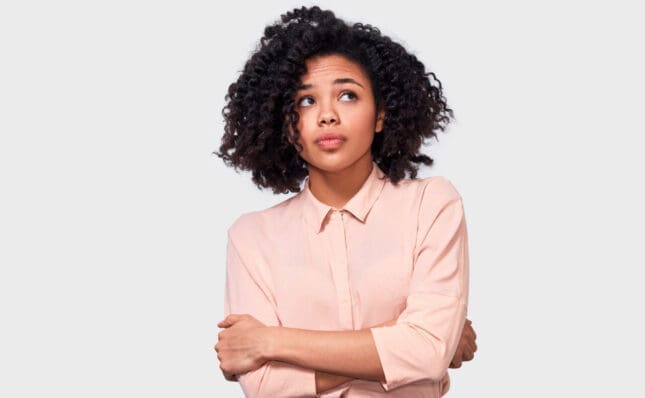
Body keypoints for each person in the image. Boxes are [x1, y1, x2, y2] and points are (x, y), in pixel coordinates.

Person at [213, 6, 476, 397]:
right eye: (305, 101)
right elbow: (266, 387)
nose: (327, 116)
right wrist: (415, 340)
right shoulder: (251, 237)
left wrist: (270, 341)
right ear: (286, 124)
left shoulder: (431, 205)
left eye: (348, 95)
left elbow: (426, 352)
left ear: (381, 115)